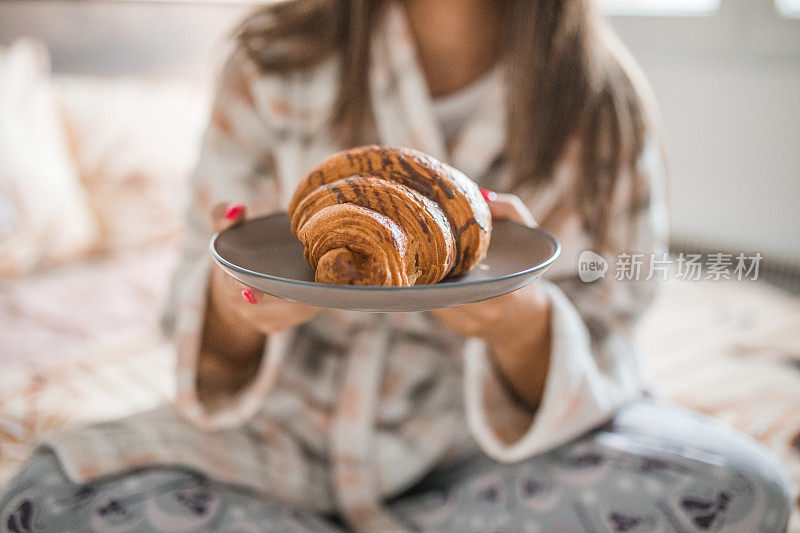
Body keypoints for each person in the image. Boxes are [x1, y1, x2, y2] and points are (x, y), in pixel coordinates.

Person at [1, 1, 791, 531]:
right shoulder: (274, 61)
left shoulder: (601, 104)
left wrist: (521, 329)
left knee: (742, 488)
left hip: (480, 469)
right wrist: (238, 309)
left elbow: (617, 337)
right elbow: (189, 312)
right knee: (44, 495)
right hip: (277, 455)